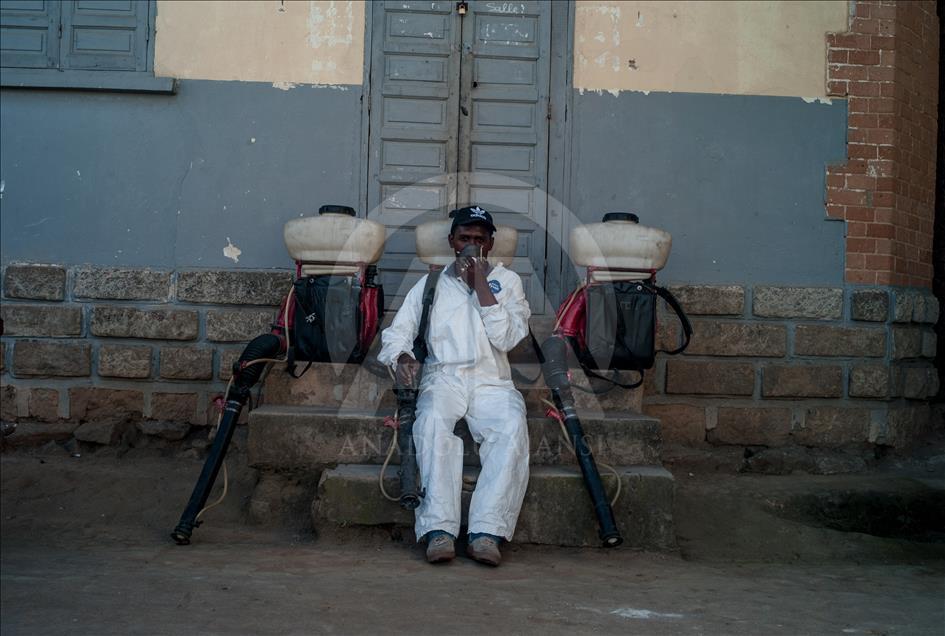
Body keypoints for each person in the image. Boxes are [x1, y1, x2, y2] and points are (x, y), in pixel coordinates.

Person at [377, 206, 531, 566]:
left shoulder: (508, 283)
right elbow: (397, 333)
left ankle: (486, 532)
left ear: (490, 243)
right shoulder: (431, 282)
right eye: (465, 238)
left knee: (510, 427)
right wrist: (400, 358)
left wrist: (480, 284)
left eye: (480, 239)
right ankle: (439, 530)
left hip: (492, 380)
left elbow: (507, 338)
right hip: (442, 377)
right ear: (452, 241)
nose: (472, 245)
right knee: (430, 423)